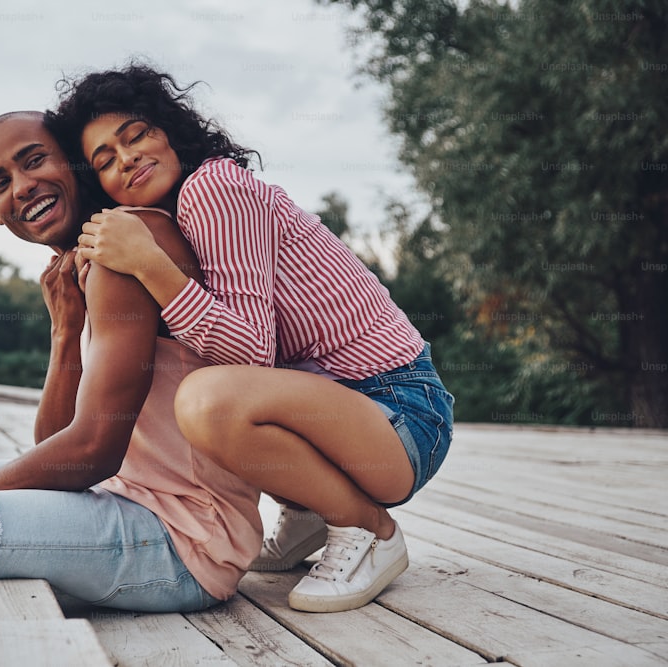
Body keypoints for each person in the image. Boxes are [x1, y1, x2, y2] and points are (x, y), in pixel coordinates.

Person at [0, 111, 262, 666]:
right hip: (126, 501)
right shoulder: (89, 262)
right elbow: (54, 439)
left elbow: (91, 451)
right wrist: (65, 331)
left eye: (34, 160)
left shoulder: (129, 243)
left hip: (185, 542)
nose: (21, 187)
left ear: (72, 158)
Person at [45, 64, 455, 613]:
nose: (127, 158)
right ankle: (309, 512)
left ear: (168, 130)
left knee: (207, 400)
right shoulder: (177, 213)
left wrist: (148, 263)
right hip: (352, 412)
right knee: (204, 395)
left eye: (137, 134)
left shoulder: (212, 189)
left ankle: (369, 530)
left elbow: (250, 351)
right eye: (104, 160)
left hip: (400, 414)